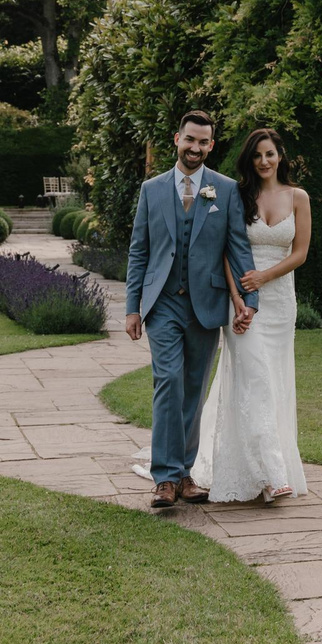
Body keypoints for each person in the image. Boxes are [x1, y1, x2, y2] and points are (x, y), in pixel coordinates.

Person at [125, 110, 254, 510]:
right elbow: (139, 250)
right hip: (163, 303)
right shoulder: (152, 189)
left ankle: (184, 474)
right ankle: (164, 478)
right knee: (168, 381)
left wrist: (248, 301)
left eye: (203, 142)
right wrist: (133, 307)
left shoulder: (226, 190)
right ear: (177, 139)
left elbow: (238, 247)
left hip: (207, 304)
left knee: (194, 390)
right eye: (189, 140)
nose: (195, 148)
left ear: (211, 146)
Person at [192, 127, 314, 504]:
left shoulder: (298, 197)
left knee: (272, 382)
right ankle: (272, 476)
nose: (264, 161)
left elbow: (300, 253)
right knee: (255, 379)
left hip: (280, 302)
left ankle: (264, 464)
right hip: (242, 301)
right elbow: (227, 250)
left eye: (270, 154)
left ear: (281, 156)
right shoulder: (237, 195)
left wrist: (266, 276)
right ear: (250, 159)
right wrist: (239, 296)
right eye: (258, 155)